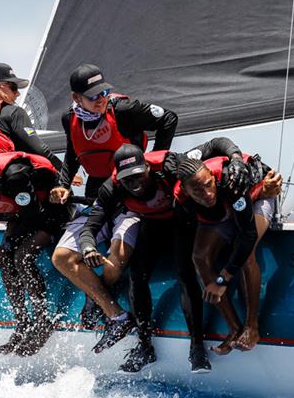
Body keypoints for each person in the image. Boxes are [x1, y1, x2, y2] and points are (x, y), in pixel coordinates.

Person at [73, 140, 250, 373]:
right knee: (137, 274)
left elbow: (217, 144)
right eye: (128, 180)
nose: (135, 184)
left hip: (182, 222)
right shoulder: (111, 188)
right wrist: (88, 248)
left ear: (147, 168)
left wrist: (236, 159)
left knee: (185, 273)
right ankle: (145, 346)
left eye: (138, 176)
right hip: (152, 223)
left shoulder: (169, 164)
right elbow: (91, 225)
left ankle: (197, 347)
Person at [50, 63, 179, 329]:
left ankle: (95, 301)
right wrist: (63, 183)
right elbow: (74, 152)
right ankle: (114, 313)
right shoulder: (69, 119)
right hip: (96, 194)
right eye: (93, 95)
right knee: (62, 257)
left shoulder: (122, 110)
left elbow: (168, 118)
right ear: (76, 98)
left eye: (104, 91)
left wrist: (155, 163)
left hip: (129, 196)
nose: (101, 99)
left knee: (115, 258)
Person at [0, 146, 70, 356]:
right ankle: (22, 323)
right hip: (24, 216)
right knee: (5, 260)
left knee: (21, 256)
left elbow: (34, 218)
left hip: (50, 211)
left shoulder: (14, 177)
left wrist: (7, 244)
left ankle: (42, 321)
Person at [175, 154, 283, 354]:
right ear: (185, 190)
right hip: (225, 207)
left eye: (208, 185)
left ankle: (252, 327)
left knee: (244, 251)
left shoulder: (231, 181)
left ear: (213, 177)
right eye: (197, 191)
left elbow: (248, 236)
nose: (206, 194)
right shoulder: (181, 200)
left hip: (257, 196)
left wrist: (221, 280)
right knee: (199, 257)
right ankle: (234, 328)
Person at [0, 62, 62, 169]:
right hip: (15, 183)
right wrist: (64, 171)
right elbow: (40, 149)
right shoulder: (14, 112)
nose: (17, 93)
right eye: (13, 87)